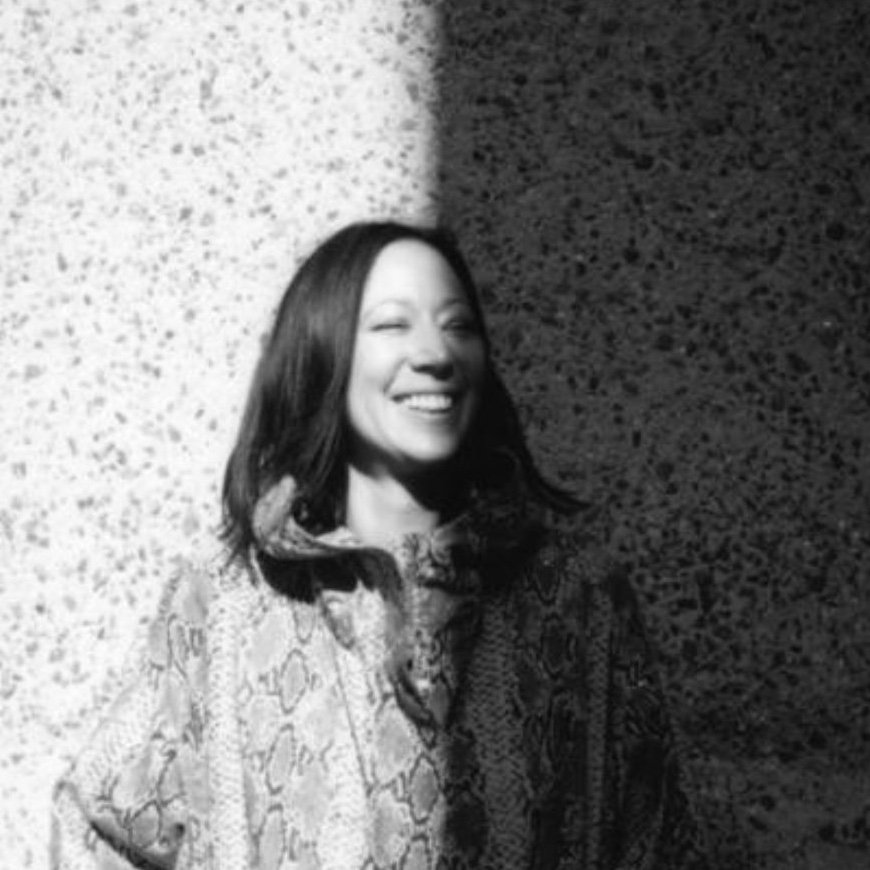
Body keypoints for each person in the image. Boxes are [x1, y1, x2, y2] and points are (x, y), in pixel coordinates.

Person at [52, 221, 709, 869]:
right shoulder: (224, 602)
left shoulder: (576, 598)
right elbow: (97, 824)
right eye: (393, 324)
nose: (436, 353)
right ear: (323, 352)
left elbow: (663, 839)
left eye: (458, 325)